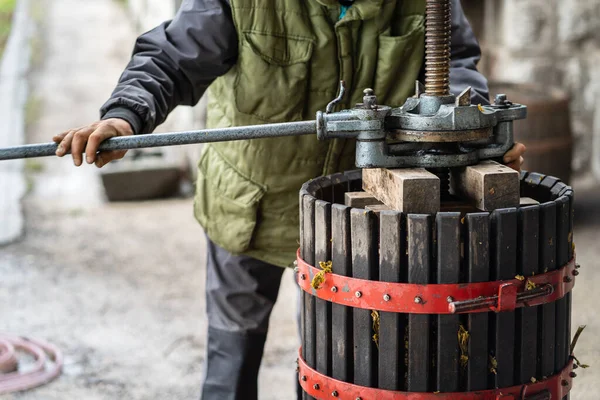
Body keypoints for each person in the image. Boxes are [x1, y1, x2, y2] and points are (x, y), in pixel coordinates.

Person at [53, 1, 526, 399]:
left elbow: (457, 63)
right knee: (232, 357)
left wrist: (474, 131)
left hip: (359, 219)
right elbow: (172, 58)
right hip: (248, 204)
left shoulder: (423, 5)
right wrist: (124, 116)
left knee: (335, 364)